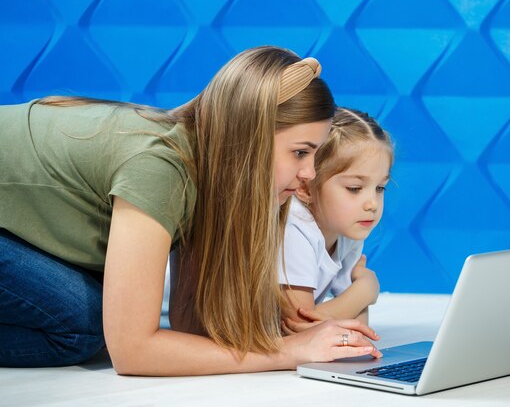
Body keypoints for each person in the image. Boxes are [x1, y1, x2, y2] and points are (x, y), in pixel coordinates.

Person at [0, 46, 382, 374]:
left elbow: (190, 325)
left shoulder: (207, 170)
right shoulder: (161, 167)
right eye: (300, 152)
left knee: (106, 310)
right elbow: (132, 350)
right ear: (249, 136)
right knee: (85, 323)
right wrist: (283, 352)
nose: (309, 174)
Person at [279, 107, 393, 335]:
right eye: (354, 188)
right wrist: (365, 289)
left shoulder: (347, 232)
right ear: (305, 187)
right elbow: (302, 328)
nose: (372, 204)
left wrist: (355, 302)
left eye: (380, 188)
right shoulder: (294, 229)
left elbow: (359, 329)